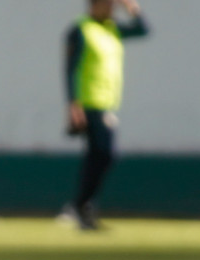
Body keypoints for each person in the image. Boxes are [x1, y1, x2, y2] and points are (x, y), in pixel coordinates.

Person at [61, 0, 149, 230]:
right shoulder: (81, 29)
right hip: (89, 103)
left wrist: (133, 8)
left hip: (106, 103)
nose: (112, 9)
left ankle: (82, 206)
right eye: (108, 4)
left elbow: (142, 30)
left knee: (99, 155)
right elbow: (70, 68)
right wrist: (73, 104)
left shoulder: (111, 29)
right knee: (104, 153)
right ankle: (81, 205)